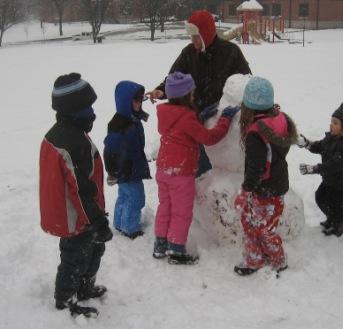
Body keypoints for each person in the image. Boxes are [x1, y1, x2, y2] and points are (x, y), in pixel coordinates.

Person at [39, 73, 113, 317]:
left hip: (80, 212)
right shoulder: (71, 142)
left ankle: (85, 288)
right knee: (75, 257)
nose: (92, 112)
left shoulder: (65, 132)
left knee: (94, 249)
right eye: (86, 108)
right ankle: (65, 300)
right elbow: (79, 190)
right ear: (72, 111)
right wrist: (97, 220)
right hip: (75, 215)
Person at [148, 10, 251, 176]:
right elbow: (175, 77)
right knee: (198, 164)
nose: (193, 41)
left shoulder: (231, 52)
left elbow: (245, 81)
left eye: (197, 37)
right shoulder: (189, 53)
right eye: (191, 37)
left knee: (219, 164)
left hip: (220, 118)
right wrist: (161, 90)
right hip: (193, 118)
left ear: (207, 34)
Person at [153, 72, 239, 265]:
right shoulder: (186, 118)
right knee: (181, 212)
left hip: (163, 170)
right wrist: (225, 119)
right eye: (191, 93)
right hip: (180, 174)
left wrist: (199, 117)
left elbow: (182, 128)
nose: (194, 96)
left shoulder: (166, 112)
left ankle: (160, 244)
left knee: (165, 207)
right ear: (185, 96)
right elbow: (209, 138)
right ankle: (176, 250)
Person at [233, 76, 298, 277]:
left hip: (264, 188)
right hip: (275, 183)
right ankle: (255, 257)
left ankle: (277, 261)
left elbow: (256, 167)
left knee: (262, 227)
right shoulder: (280, 119)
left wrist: (245, 191)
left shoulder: (255, 134)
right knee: (252, 222)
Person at [298, 102, 343, 237]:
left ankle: (339, 223)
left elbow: (334, 165)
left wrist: (314, 169)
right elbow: (320, 146)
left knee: (334, 204)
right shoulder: (333, 136)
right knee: (320, 197)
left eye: (335, 123)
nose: (331, 125)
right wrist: (307, 144)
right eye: (331, 121)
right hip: (331, 179)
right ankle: (332, 219)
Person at [103, 81, 151, 239]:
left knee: (124, 196)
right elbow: (109, 150)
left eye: (140, 100)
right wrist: (111, 171)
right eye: (136, 100)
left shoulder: (131, 118)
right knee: (136, 198)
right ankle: (130, 228)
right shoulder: (119, 126)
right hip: (127, 169)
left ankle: (119, 222)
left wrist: (142, 114)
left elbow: (136, 116)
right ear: (126, 102)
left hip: (130, 167)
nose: (139, 103)